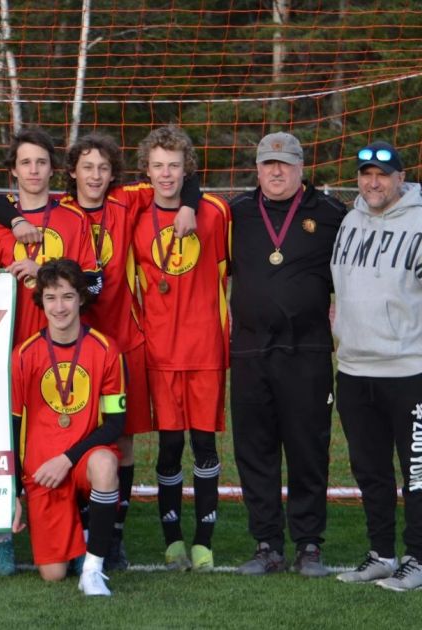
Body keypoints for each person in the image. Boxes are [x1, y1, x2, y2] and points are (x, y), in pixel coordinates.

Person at [61, 133, 198, 570]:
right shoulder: (59, 213)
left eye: (103, 168)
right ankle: (79, 530)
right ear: (72, 173)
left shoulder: (126, 200)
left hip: (123, 342)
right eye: (87, 168)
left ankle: (112, 535)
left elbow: (177, 180)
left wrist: (191, 205)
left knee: (121, 439)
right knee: (75, 433)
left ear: (113, 174)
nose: (96, 176)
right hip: (72, 344)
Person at [229, 132, 346, 577]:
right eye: (268, 164)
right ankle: (266, 544)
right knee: (254, 451)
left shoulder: (333, 214)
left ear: (302, 168)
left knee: (307, 450)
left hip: (308, 352)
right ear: (257, 169)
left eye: (285, 164)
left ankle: (309, 545)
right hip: (250, 351)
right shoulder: (236, 212)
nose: (276, 172)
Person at [130, 125, 231, 571]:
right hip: (160, 354)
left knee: (205, 447)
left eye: (174, 166)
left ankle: (204, 540)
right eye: (158, 166)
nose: (166, 174)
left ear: (187, 168)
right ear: (146, 171)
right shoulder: (133, 211)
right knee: (170, 448)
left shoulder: (216, 212)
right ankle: (172, 540)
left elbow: (230, 273)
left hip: (206, 350)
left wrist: (192, 201)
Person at [331, 141, 422, 592]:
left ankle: (419, 557)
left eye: (383, 174)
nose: (373, 182)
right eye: (366, 173)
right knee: (370, 472)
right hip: (353, 369)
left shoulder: (420, 222)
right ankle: (382, 555)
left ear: (401, 179)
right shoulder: (350, 218)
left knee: (418, 471)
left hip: (410, 371)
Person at [10, 258, 125, 596]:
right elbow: (13, 426)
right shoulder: (24, 355)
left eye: (68, 297)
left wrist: (68, 458)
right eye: (51, 298)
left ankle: (93, 568)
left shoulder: (106, 350)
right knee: (52, 575)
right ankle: (78, 538)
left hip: (81, 459)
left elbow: (115, 423)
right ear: (40, 302)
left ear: (81, 299)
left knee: (106, 463)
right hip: (42, 469)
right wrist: (15, 491)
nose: (59, 307)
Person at [0, 128, 99, 347]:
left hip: (63, 342)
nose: (34, 170)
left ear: (52, 169)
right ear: (13, 170)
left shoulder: (75, 218)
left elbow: (93, 285)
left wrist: (42, 273)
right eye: (25, 163)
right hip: (7, 341)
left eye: (41, 162)